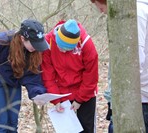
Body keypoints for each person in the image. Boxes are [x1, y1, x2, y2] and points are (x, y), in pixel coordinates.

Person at [90, 0, 148, 132]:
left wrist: (122, 94)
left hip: (140, 95)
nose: (100, 11)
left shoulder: (136, 13)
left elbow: (135, 60)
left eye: (98, 6)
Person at [41, 19, 99, 133]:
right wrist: (56, 100)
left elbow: (91, 76)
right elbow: (48, 75)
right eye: (61, 47)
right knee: (67, 130)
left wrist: (79, 100)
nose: (63, 51)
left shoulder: (86, 43)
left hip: (85, 92)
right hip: (62, 92)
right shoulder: (48, 43)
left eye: (67, 49)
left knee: (87, 128)